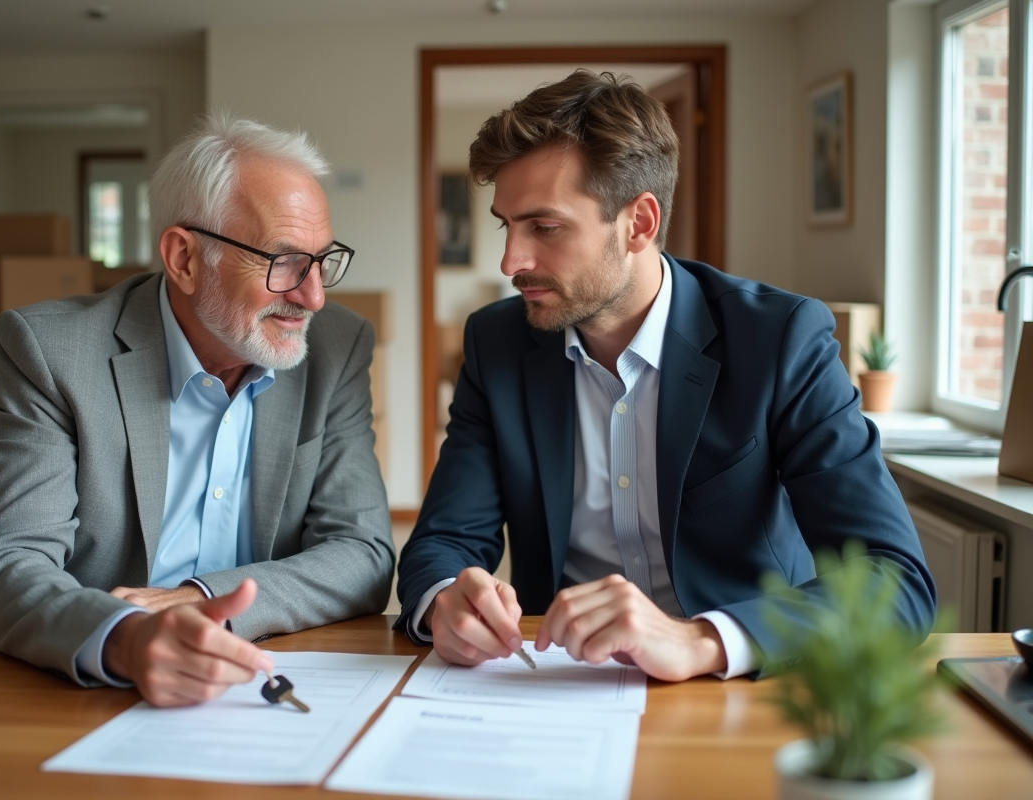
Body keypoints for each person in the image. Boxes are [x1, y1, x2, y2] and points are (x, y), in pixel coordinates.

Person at [395, 70, 935, 681]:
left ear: (640, 223)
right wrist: (444, 599)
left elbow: (895, 581)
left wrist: (702, 640)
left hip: (735, 687)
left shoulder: (779, 340)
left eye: (544, 227)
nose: (510, 261)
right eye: (506, 224)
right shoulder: (496, 343)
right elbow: (441, 540)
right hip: (556, 683)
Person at [0, 113, 394, 706]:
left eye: (321, 259)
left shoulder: (336, 347)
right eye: (283, 262)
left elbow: (363, 554)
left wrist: (202, 599)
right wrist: (125, 638)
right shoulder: (51, 350)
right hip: (50, 677)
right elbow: (7, 564)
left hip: (232, 684)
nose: (314, 296)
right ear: (184, 258)